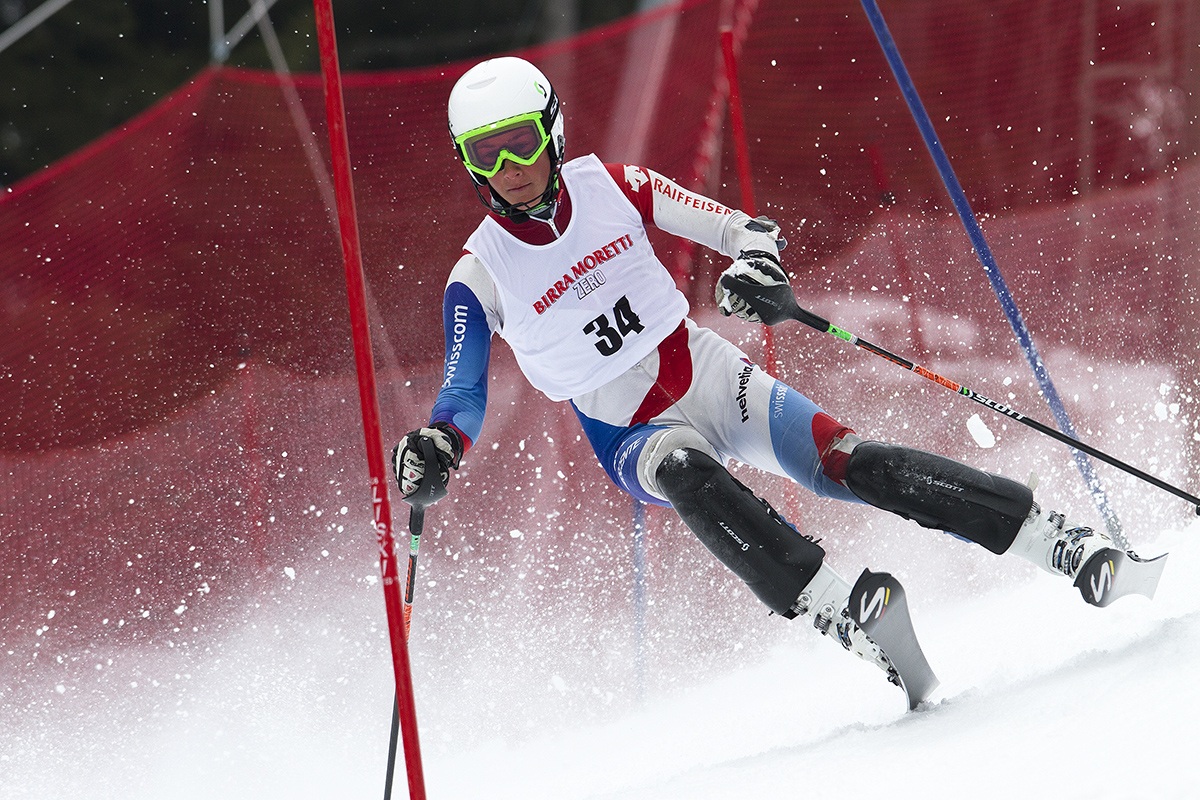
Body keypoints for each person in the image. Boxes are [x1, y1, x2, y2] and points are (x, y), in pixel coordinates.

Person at [391, 56, 1125, 690]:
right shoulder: (478, 273)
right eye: (485, 156)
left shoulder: (613, 186)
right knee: (686, 473)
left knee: (847, 462)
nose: (509, 171)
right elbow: (462, 390)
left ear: (551, 131)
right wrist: (439, 444)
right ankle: (843, 614)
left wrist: (756, 267)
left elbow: (742, 229)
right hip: (627, 431)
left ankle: (1055, 540)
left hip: (706, 373)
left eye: (519, 144)